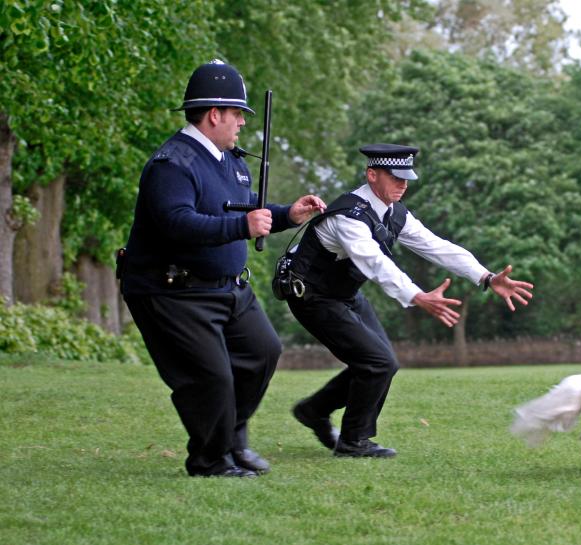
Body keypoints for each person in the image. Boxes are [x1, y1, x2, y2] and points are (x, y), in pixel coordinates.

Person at [119, 60, 325, 477]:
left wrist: (289, 215)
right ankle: (210, 460)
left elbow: (245, 211)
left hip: (227, 287)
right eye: (238, 115)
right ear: (214, 114)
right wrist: (241, 226)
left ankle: (232, 440)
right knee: (210, 378)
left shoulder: (231, 161)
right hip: (172, 290)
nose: (242, 124)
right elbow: (177, 223)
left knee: (262, 352)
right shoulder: (171, 164)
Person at [287, 143, 534, 458]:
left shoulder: (392, 213)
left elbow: (436, 246)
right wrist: (416, 295)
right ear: (372, 174)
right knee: (378, 362)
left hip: (343, 294)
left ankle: (314, 410)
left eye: (406, 178)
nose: (403, 184)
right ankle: (353, 442)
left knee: (382, 363)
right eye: (395, 177)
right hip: (312, 297)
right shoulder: (349, 217)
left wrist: (485, 276)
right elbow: (375, 263)